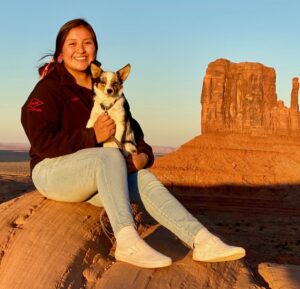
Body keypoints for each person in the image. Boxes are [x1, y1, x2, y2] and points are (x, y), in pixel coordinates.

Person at [21, 18, 246, 269]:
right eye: (72, 43)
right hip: (51, 171)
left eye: (88, 43)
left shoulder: (107, 87)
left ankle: (202, 240)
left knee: (143, 179)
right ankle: (127, 241)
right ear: (60, 51)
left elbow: (134, 131)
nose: (81, 50)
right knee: (108, 157)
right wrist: (91, 136)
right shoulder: (49, 89)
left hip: (93, 173)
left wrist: (144, 158)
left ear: (96, 48)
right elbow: (40, 141)